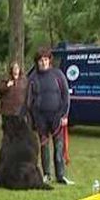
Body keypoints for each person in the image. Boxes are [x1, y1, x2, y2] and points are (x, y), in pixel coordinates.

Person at [26, 47, 74, 185]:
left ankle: (61, 175)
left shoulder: (58, 75)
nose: (43, 63)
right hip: (41, 119)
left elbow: (66, 96)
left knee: (59, 147)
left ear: (49, 61)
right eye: (41, 60)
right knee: (44, 147)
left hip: (57, 117)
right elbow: (29, 100)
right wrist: (31, 119)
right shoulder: (33, 78)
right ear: (37, 62)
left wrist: (64, 115)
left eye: (46, 60)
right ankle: (47, 174)